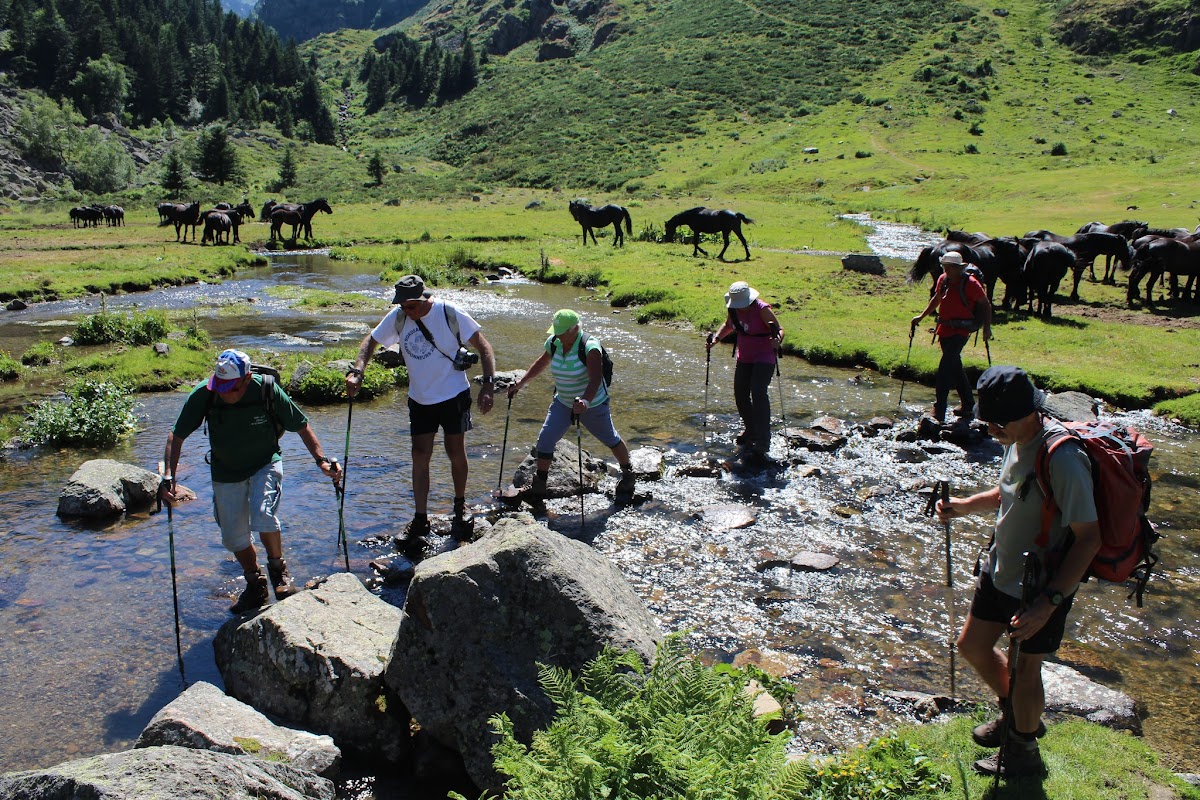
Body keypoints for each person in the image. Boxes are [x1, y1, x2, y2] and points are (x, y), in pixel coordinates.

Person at [936, 366, 1100, 778]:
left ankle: (1023, 752)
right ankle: (1020, 716)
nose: (989, 430)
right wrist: (963, 505)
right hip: (1000, 567)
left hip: (1040, 584)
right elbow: (1007, 492)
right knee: (972, 646)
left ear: (1025, 414)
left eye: (995, 423)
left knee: (1026, 670)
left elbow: (1089, 538)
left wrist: (1050, 603)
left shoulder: (1063, 459)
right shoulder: (1015, 439)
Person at [159, 349, 342, 614]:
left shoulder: (265, 389)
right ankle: (255, 583)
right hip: (225, 472)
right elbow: (175, 436)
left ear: (246, 379)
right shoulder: (205, 393)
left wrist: (321, 461)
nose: (224, 393)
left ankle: (278, 571)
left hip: (265, 463)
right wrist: (169, 477)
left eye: (231, 388)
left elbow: (301, 425)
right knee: (233, 536)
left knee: (262, 513)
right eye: (220, 387)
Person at [346, 275, 496, 540]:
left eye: (411, 307)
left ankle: (460, 507)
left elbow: (484, 347)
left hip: (453, 395)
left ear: (423, 299)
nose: (407, 312)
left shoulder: (449, 312)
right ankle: (420, 518)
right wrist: (358, 370)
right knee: (419, 455)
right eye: (403, 307)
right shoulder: (399, 316)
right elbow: (370, 341)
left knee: (455, 451)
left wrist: (487, 385)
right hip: (420, 399)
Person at [506, 309, 636, 499]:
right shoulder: (554, 343)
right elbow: (541, 363)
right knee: (545, 439)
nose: (557, 335)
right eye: (556, 331)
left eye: (561, 331)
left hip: (593, 404)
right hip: (563, 401)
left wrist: (585, 402)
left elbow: (595, 380)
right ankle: (539, 485)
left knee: (610, 438)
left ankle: (628, 474)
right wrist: (521, 383)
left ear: (574, 329)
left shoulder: (590, 347)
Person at [910, 251, 993, 423]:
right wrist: (921, 316)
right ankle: (968, 404)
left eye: (949, 267)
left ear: (958, 267)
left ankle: (939, 408)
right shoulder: (943, 279)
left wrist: (987, 328)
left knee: (945, 368)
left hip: (961, 331)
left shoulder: (971, 283)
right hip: (945, 328)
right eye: (944, 266)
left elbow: (985, 305)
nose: (945, 269)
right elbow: (937, 298)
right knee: (954, 366)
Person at [706, 280, 784, 463]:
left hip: (764, 356)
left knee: (758, 391)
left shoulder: (762, 309)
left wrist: (778, 340)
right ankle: (751, 429)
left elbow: (778, 329)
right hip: (745, 356)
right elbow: (728, 325)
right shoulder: (733, 309)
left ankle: (763, 441)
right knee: (740, 393)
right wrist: (715, 340)